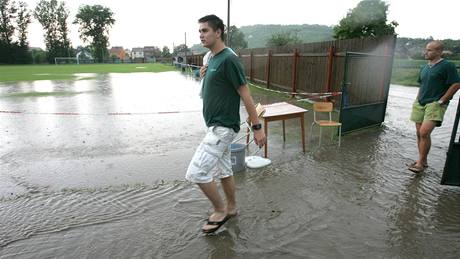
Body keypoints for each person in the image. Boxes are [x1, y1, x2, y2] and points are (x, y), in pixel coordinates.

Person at [185, 14, 266, 234]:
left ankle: (219, 210)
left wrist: (257, 127)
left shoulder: (229, 59)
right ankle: (231, 208)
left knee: (196, 172)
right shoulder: (211, 58)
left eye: (205, 31)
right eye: (199, 31)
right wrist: (203, 75)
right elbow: (212, 88)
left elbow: (246, 95)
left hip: (223, 127)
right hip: (214, 125)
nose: (201, 35)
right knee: (224, 170)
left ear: (218, 32)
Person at [408, 41, 460, 173]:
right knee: (419, 134)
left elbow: (456, 84)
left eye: (429, 50)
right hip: (420, 103)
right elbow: (422, 84)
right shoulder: (424, 67)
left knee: (424, 132)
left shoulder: (447, 66)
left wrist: (442, 101)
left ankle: (419, 163)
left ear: (439, 52)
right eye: (426, 49)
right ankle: (423, 160)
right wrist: (417, 100)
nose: (426, 52)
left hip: (435, 104)